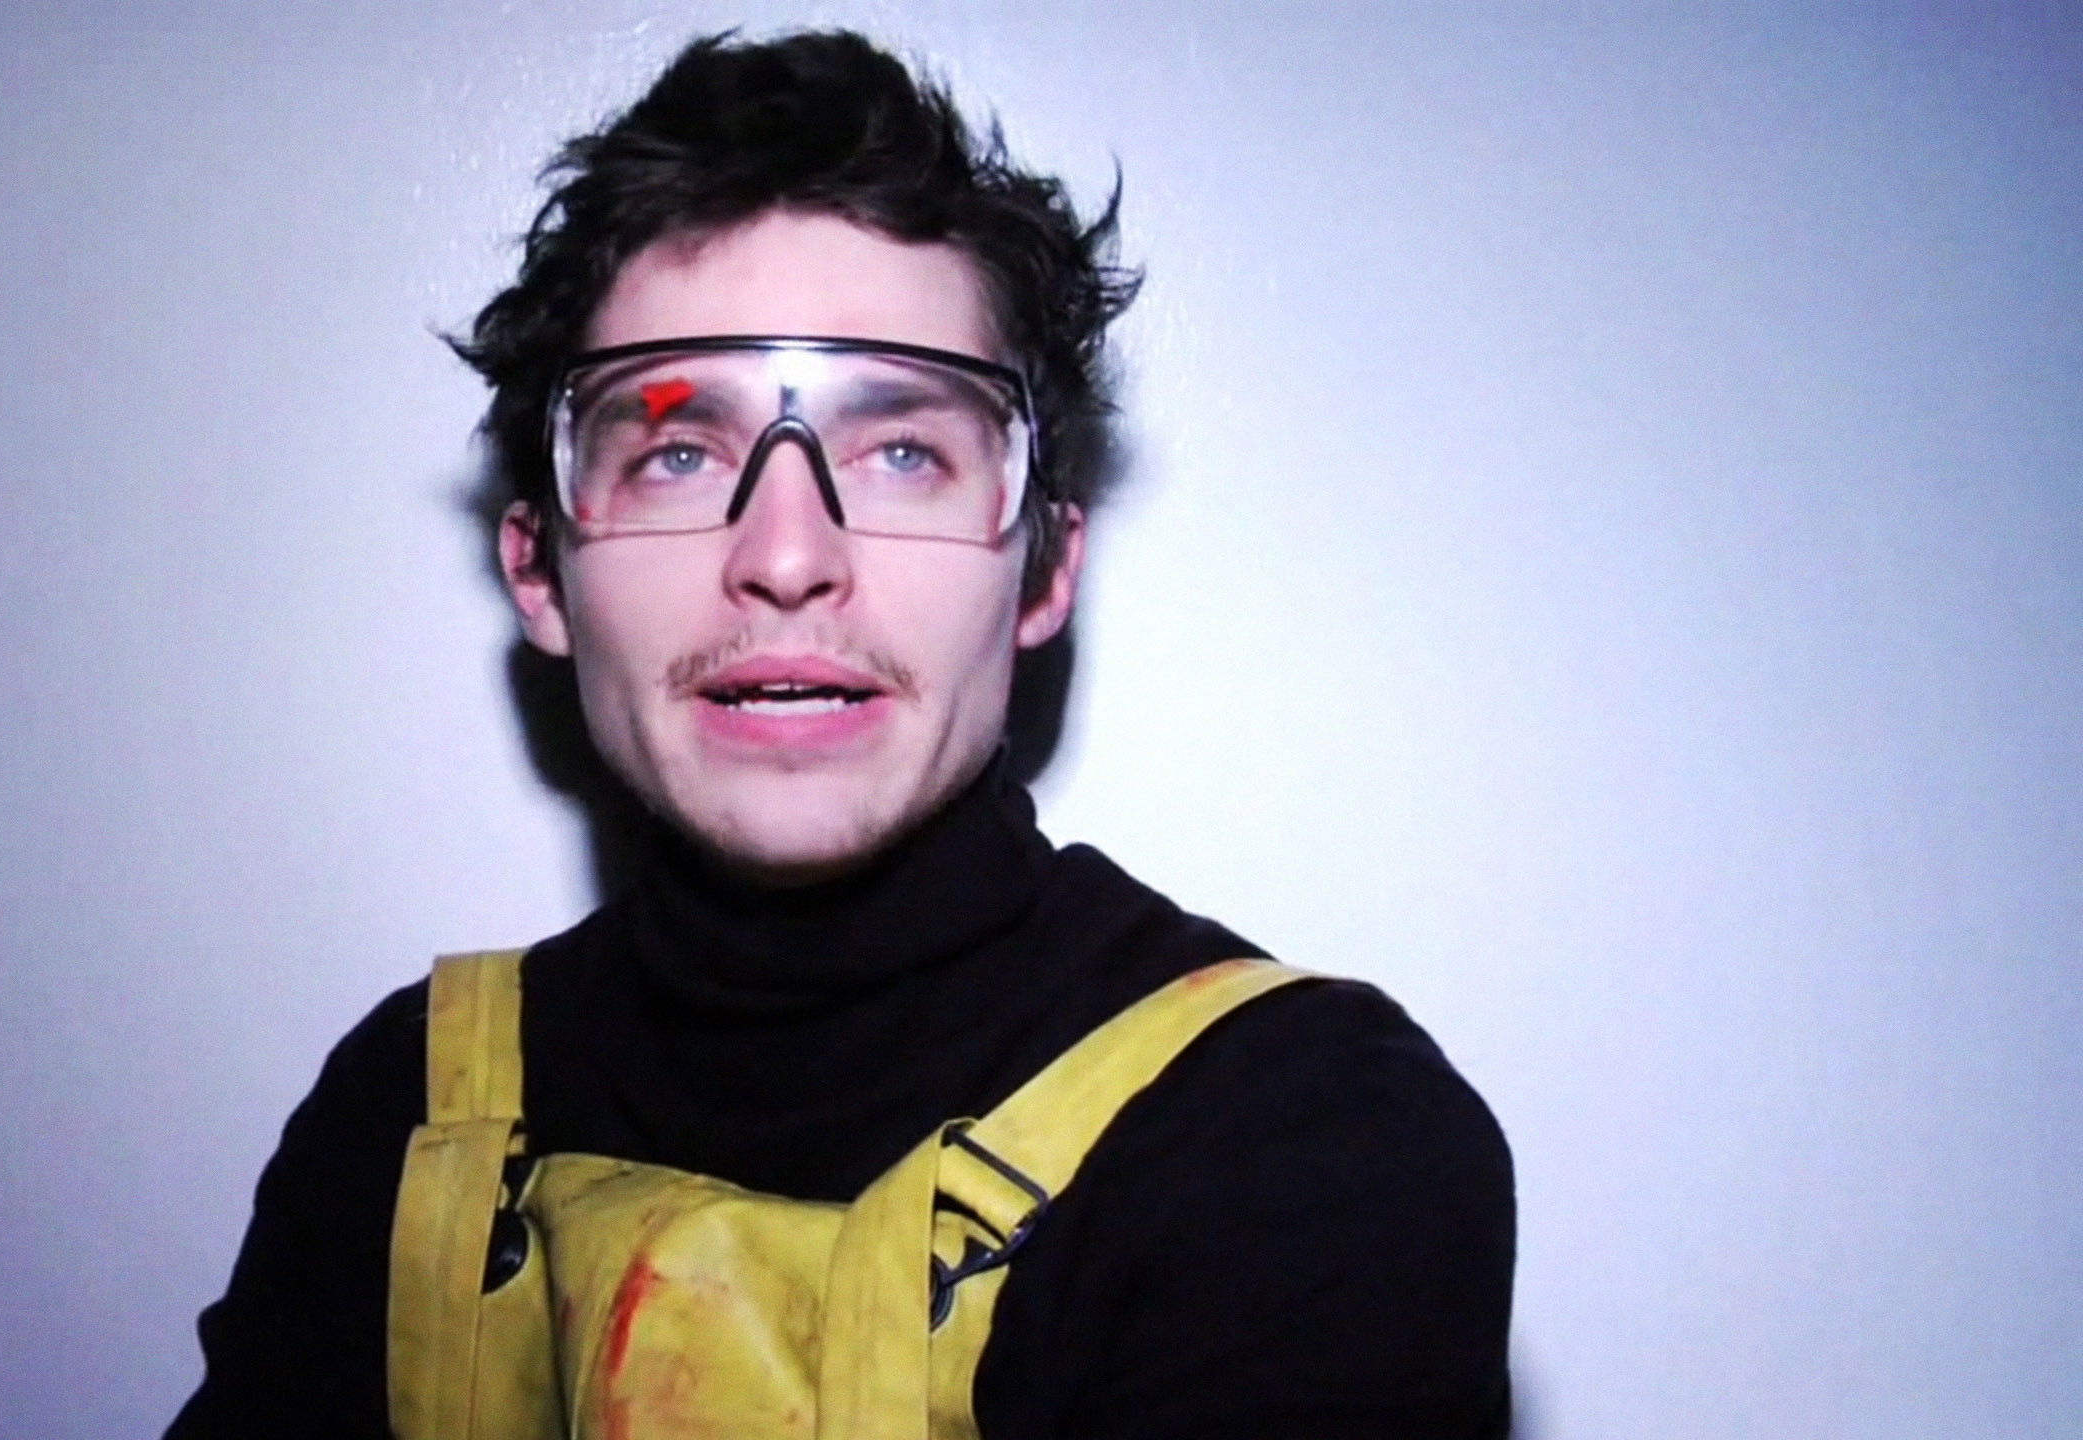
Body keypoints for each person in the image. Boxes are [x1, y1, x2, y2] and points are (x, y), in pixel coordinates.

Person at [168, 29, 1513, 1440]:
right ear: (539, 569)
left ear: (1045, 570)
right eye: (676, 450)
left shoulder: (1302, 1133)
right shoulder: (406, 1109)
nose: (788, 556)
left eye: (904, 451)